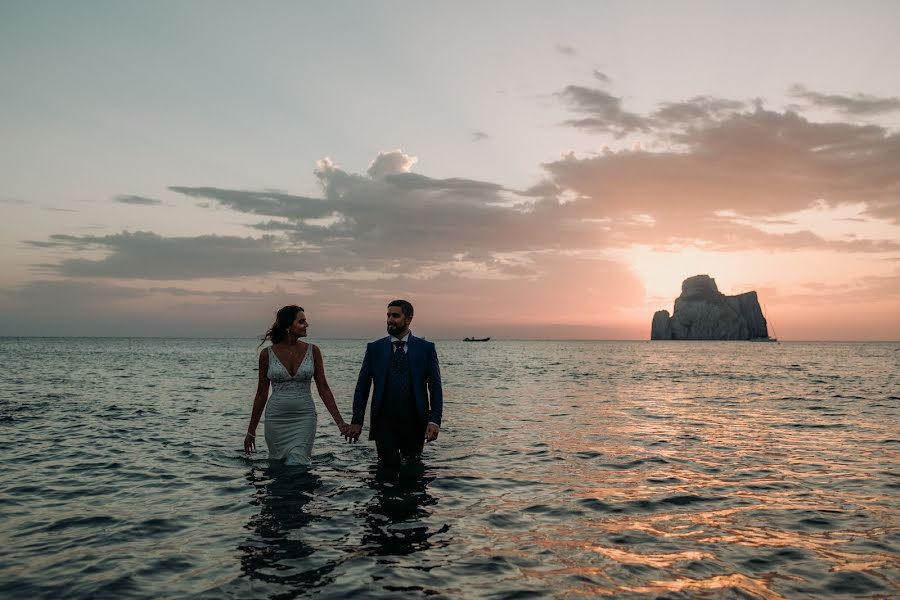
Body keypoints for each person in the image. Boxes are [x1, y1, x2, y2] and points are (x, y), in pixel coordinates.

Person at [244, 305, 349, 465]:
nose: (307, 325)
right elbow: (261, 394)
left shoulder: (313, 351)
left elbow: (324, 389)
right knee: (277, 465)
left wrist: (340, 423)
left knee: (297, 462)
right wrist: (251, 431)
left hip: (304, 417)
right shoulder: (267, 354)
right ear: (288, 326)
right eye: (302, 321)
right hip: (276, 419)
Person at [347, 299, 443, 466]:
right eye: (388, 315)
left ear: (408, 319)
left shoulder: (426, 348)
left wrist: (434, 421)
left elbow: (435, 388)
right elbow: (362, 387)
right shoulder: (374, 349)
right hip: (384, 421)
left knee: (413, 471)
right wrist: (357, 420)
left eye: (395, 316)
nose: (390, 319)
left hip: (416, 421)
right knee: (385, 469)